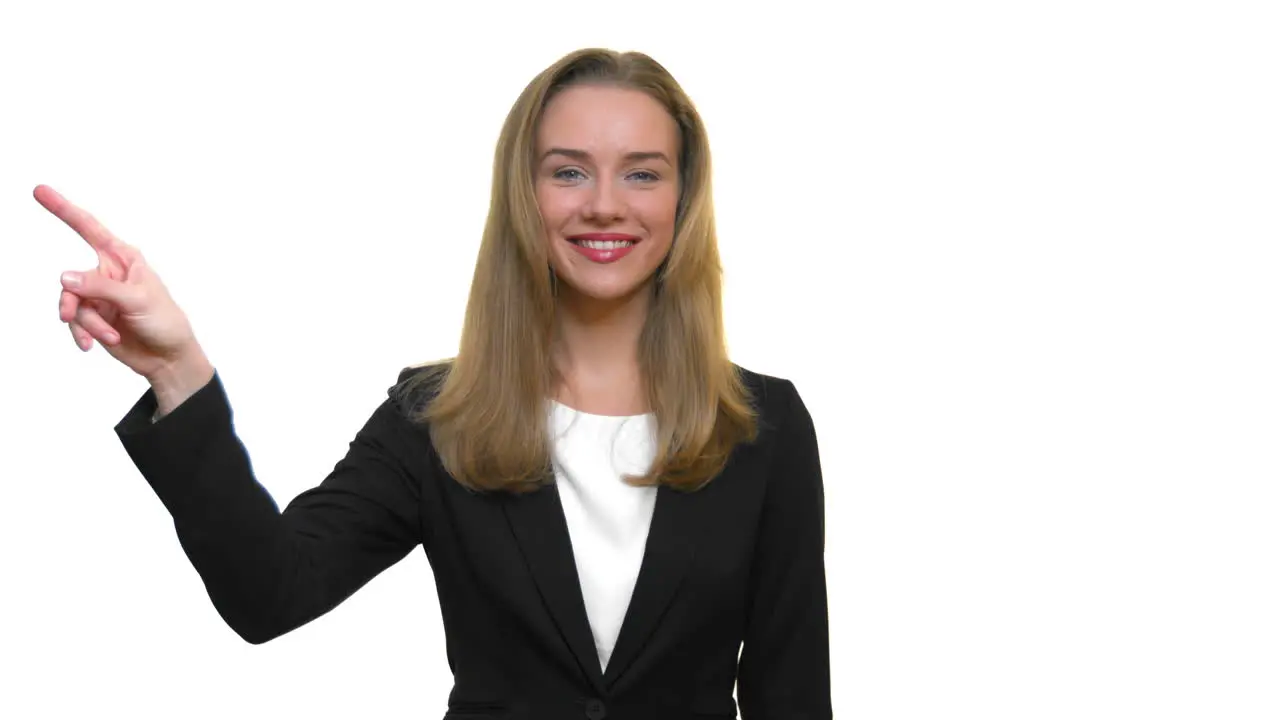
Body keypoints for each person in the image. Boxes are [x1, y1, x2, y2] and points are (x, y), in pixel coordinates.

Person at [40, 48, 831, 719]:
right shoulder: (435, 417)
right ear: (524, 193)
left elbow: (789, 693)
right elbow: (270, 593)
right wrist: (179, 370)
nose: (602, 205)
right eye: (568, 172)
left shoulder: (768, 426)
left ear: (683, 198)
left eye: (642, 174)